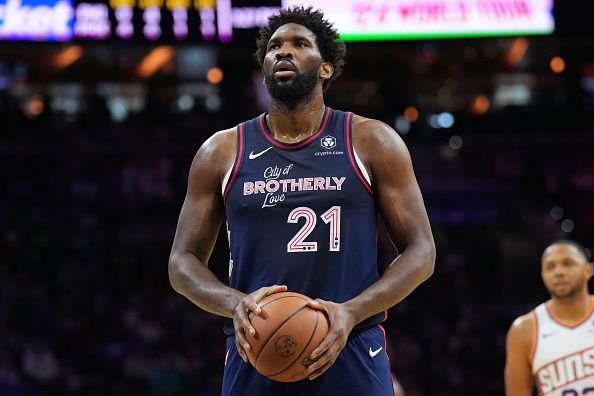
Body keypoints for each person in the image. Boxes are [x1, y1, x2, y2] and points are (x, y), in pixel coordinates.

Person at [168, 6, 435, 395]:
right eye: (274, 46)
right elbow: (181, 261)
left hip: (352, 345)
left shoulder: (370, 140)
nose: (283, 52)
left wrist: (352, 311)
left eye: (299, 44)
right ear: (263, 67)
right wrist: (233, 303)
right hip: (256, 348)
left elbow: (421, 252)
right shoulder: (221, 151)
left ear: (326, 68)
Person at [505, 240, 594, 396]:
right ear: (542, 275)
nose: (558, 272)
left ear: (588, 270)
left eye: (568, 263)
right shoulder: (523, 330)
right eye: (550, 267)